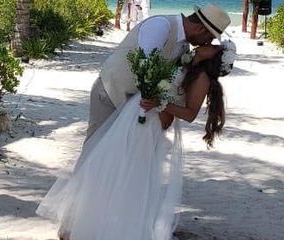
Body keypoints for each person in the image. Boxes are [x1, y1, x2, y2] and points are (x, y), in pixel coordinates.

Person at [37, 40, 236, 240]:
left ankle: (112, 227)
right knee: (107, 163)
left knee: (128, 173)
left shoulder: (201, 77)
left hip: (150, 124)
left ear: (214, 57)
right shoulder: (186, 60)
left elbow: (190, 113)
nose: (208, 43)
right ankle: (81, 223)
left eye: (214, 47)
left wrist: (161, 104)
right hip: (135, 114)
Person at [85, 4, 230, 140]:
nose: (207, 43)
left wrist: (163, 109)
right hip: (110, 91)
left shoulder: (185, 47)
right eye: (210, 38)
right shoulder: (161, 26)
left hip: (136, 107)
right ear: (201, 29)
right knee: (95, 143)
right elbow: (145, 65)